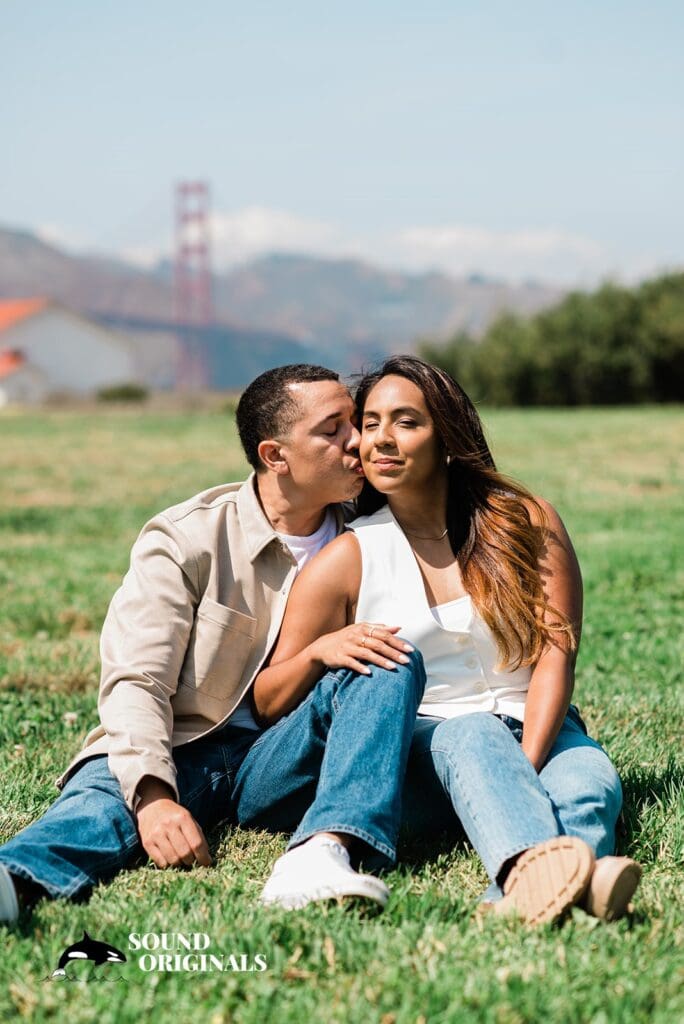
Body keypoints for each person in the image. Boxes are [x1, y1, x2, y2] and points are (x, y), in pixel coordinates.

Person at [0, 363, 423, 923]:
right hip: (179, 745)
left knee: (384, 659)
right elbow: (136, 680)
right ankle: (16, 879)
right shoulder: (186, 538)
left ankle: (326, 851)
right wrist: (154, 800)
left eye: (357, 423)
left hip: (283, 758)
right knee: (102, 808)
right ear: (275, 455)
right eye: (333, 429)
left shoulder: (373, 531)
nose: (359, 442)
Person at [246, 355, 642, 924]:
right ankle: (549, 875)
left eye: (406, 422)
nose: (380, 439)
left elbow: (557, 656)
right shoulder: (345, 560)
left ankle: (514, 905)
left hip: (536, 728)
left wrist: (523, 766)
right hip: (426, 751)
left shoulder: (526, 521)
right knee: (474, 733)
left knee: (588, 785)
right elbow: (267, 700)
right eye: (372, 422)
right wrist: (317, 653)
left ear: (448, 438)